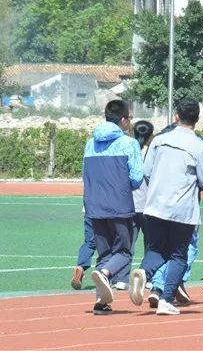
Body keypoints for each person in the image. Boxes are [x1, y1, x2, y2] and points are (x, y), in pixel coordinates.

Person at [130, 99, 203, 316]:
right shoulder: (199, 146)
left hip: (155, 206)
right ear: (197, 119)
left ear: (176, 116)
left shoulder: (159, 140)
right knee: (179, 255)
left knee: (157, 249)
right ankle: (166, 299)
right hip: (182, 210)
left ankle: (143, 272)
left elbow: (146, 171)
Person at [80, 100, 143, 316]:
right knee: (124, 251)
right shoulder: (129, 143)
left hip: (94, 206)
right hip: (119, 205)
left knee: (104, 252)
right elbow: (136, 178)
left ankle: (101, 302)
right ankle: (106, 273)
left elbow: (84, 175)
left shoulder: (90, 144)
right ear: (124, 120)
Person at [111, 120, 155, 291]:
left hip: (127, 202)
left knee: (126, 243)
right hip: (149, 204)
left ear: (133, 133)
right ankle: (148, 276)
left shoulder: (126, 148)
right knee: (151, 243)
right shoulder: (152, 152)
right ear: (151, 135)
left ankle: (121, 278)